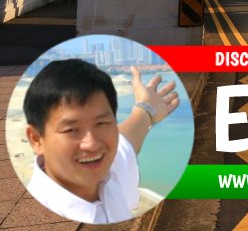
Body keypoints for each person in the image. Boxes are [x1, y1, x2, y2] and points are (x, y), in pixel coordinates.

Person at [23, 59, 180, 224]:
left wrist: (146, 108)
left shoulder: (107, 171)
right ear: (36, 139)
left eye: (102, 123)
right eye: (71, 130)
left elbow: (125, 143)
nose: (92, 144)